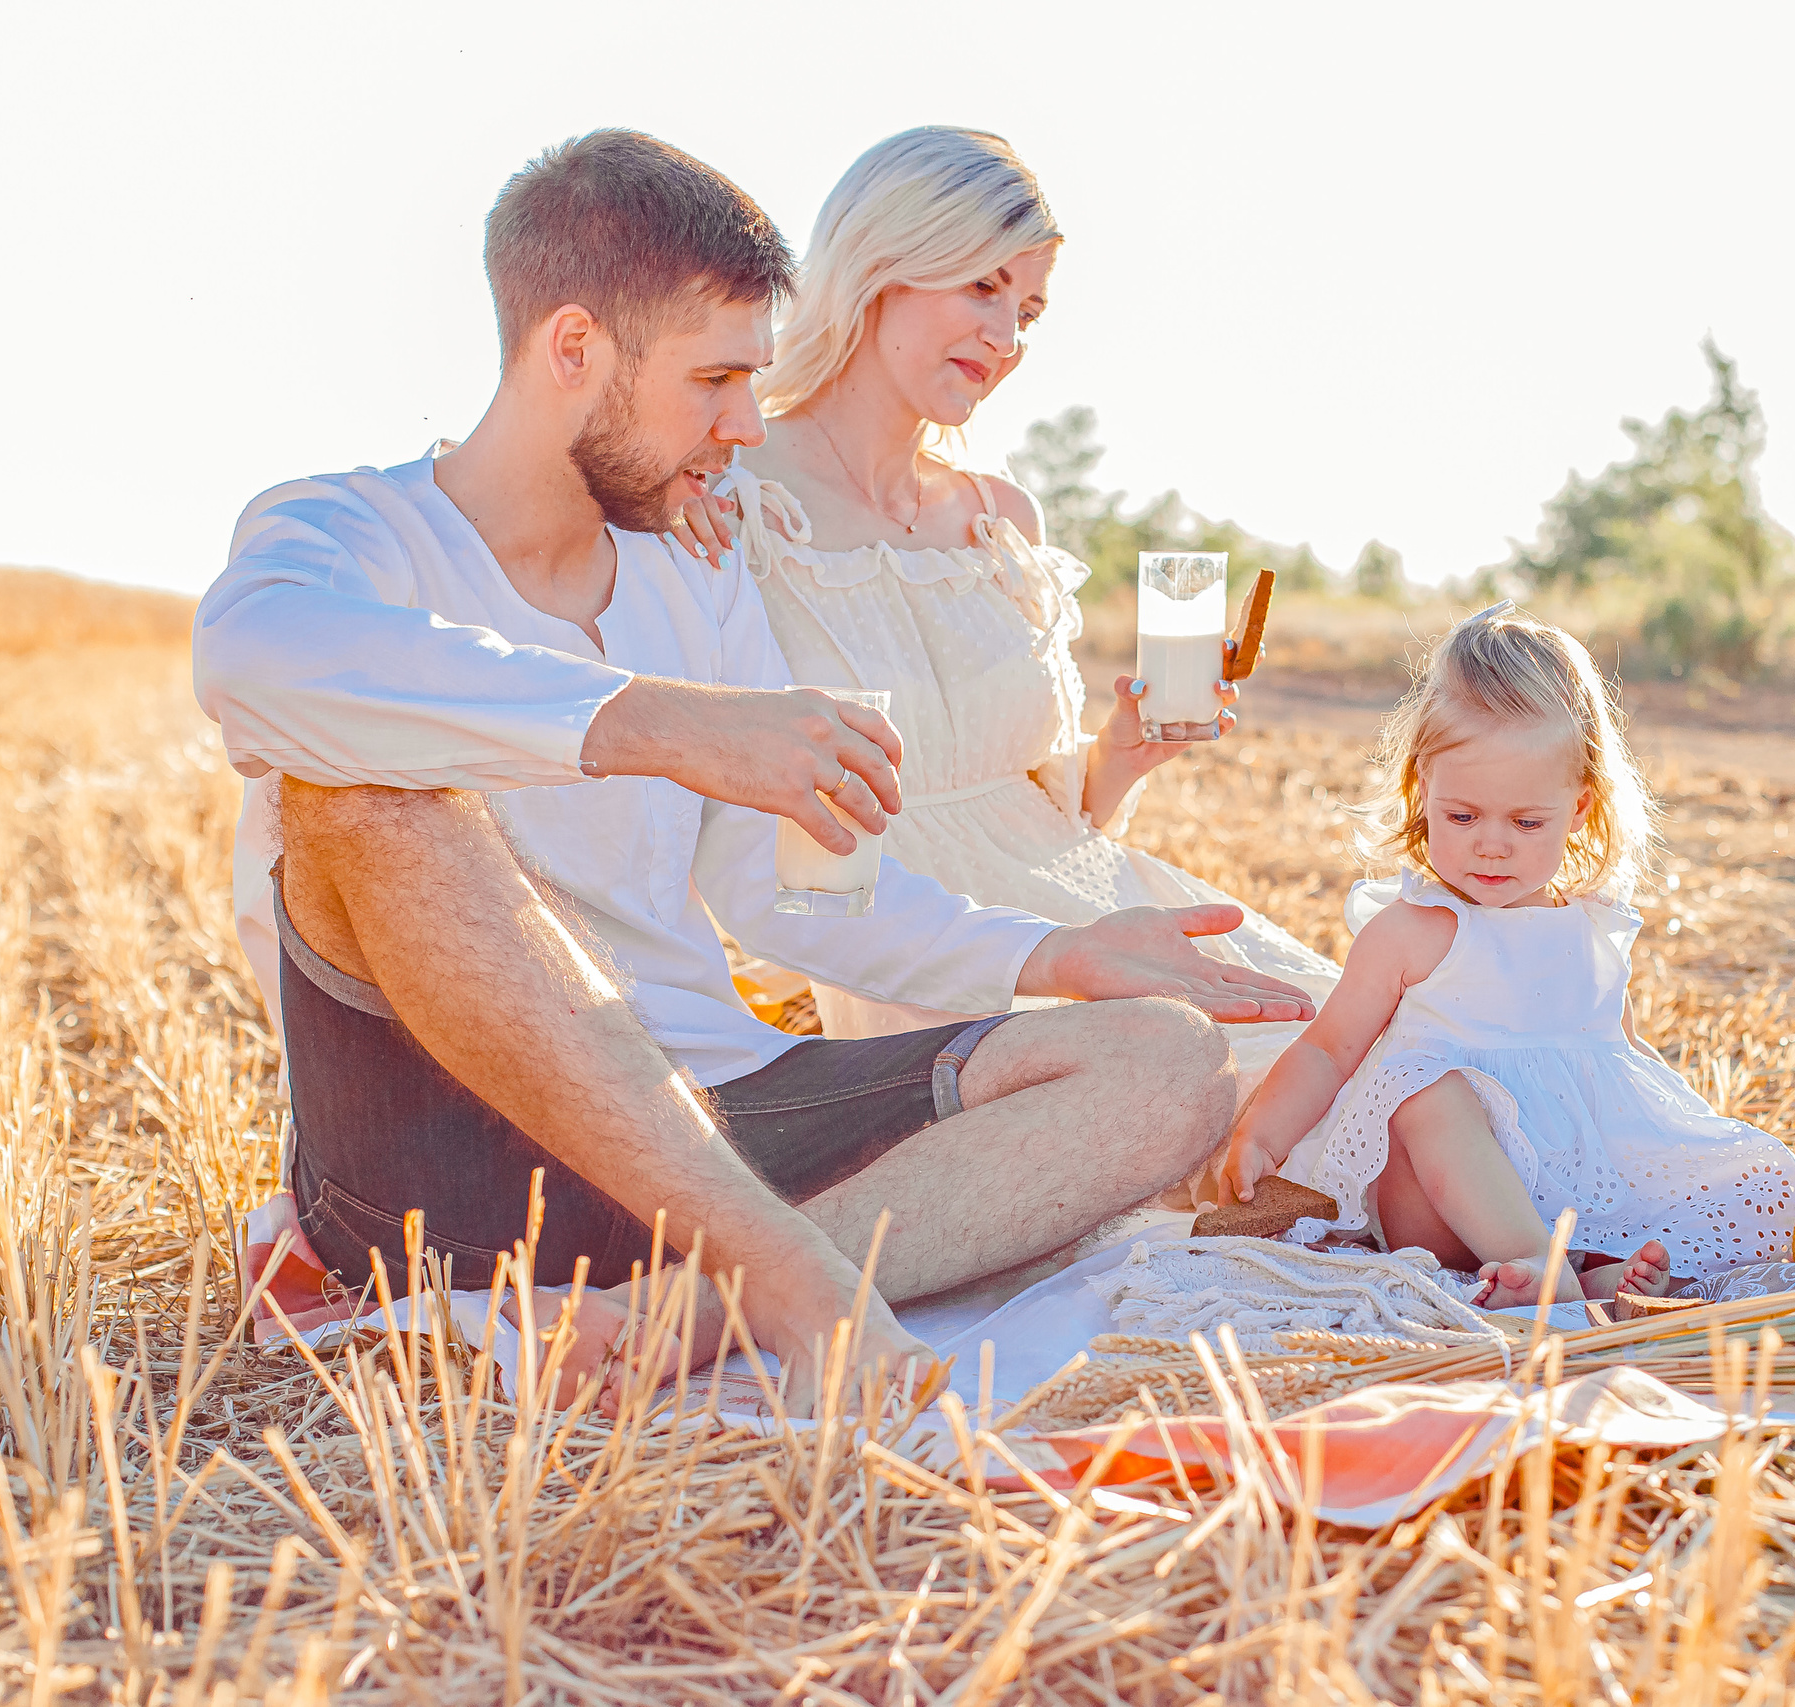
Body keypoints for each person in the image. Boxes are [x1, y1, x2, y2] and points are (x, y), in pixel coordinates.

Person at [192, 129, 1313, 1406]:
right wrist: (665, 725)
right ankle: (796, 1275)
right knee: (359, 785)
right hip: (440, 1170)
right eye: (716, 380)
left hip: (712, 1140)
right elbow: (254, 664)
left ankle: (712, 1300)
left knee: (1162, 1061)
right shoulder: (347, 530)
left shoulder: (696, 566)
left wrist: (1053, 958)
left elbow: (794, 896)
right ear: (574, 352)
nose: (744, 423)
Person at [700, 128, 1340, 1076]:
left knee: (1398, 1056)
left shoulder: (1001, 517)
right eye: (983, 289)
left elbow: (1037, 803)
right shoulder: (734, 500)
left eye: (1029, 311)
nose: (1006, 341)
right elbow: (770, 853)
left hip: (1096, 905)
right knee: (1247, 1090)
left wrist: (1118, 759)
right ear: (884, 262)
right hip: (939, 970)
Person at [1196, 602, 1795, 1306]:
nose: (1492, 843)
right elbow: (1328, 1050)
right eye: (1463, 816)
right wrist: (1262, 1134)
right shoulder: (1415, 930)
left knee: (1766, 1179)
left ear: (1579, 809)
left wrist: (1687, 1156)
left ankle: (1588, 1273)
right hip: (1434, 1206)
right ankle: (1536, 1264)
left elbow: (1633, 1070)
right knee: (1427, 1087)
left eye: (1526, 821)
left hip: (1569, 1196)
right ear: (1423, 789)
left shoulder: (1588, 932)